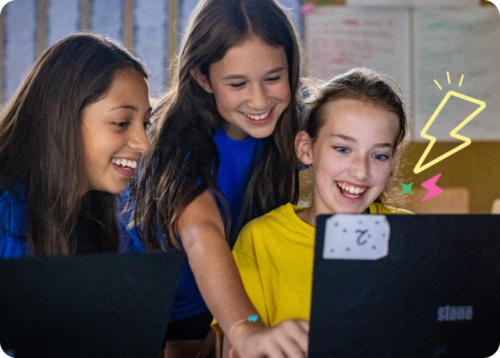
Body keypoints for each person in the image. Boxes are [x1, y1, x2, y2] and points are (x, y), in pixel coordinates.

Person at [129, 0, 309, 356]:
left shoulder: (297, 126)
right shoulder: (174, 139)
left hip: (226, 304)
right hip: (153, 315)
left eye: (273, 78)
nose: (259, 100)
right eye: (237, 83)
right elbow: (200, 233)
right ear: (202, 77)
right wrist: (246, 330)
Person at [230, 68, 413, 350]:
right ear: (306, 148)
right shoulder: (259, 240)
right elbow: (236, 343)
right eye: (342, 149)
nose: (361, 171)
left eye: (378, 155)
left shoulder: (410, 235)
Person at [0, 33, 151, 258]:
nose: (144, 144)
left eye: (146, 124)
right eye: (121, 123)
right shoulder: (6, 208)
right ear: (63, 119)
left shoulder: (120, 217)